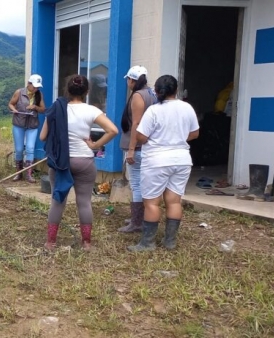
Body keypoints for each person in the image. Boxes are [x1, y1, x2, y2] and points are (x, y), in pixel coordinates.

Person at [40, 75, 118, 250]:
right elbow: (113, 130)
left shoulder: (56, 109)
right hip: (84, 160)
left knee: (57, 201)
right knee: (84, 202)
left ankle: (51, 242)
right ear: (87, 92)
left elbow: (43, 136)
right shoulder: (91, 110)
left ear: (67, 90)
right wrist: (95, 145)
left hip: (61, 162)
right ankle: (86, 243)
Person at [128, 75, 199, 252]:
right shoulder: (187, 107)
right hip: (182, 160)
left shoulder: (154, 111)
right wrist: (178, 138)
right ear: (176, 90)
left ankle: (148, 243)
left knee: (152, 203)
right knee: (174, 201)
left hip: (156, 161)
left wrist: (155, 139)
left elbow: (141, 136)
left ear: (157, 91)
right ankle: (170, 242)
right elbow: (194, 133)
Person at [118, 66, 157, 233]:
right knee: (143, 183)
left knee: (136, 184)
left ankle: (136, 222)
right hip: (150, 145)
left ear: (132, 80)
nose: (127, 82)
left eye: (128, 79)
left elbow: (136, 123)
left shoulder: (138, 96)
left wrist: (132, 149)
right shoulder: (153, 93)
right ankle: (139, 217)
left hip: (138, 146)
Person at [8, 74, 45, 183]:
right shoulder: (19, 92)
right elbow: (10, 104)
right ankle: (18, 173)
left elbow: (43, 109)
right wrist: (14, 109)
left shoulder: (39, 95)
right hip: (19, 123)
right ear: (29, 84)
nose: (36, 89)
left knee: (30, 148)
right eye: (34, 86)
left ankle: (29, 174)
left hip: (32, 124)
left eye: (37, 87)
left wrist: (35, 107)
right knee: (19, 149)